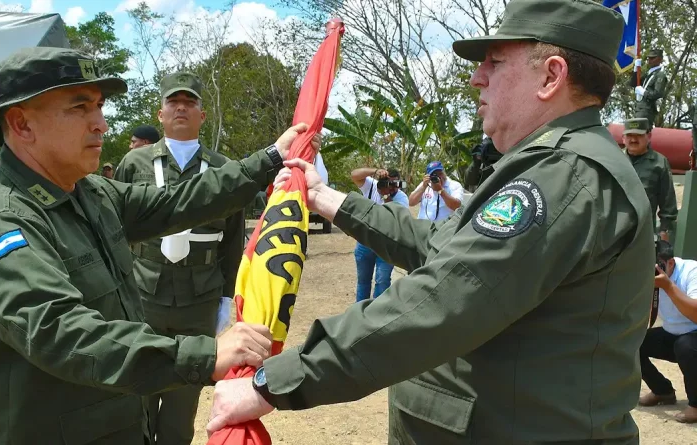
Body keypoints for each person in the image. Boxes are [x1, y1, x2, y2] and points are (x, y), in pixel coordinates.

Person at [207, 1, 657, 443]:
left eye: (494, 63)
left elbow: (446, 296)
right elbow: (444, 244)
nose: (476, 77)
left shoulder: (563, 175)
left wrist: (270, 381)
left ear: (551, 76)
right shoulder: (549, 165)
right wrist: (328, 199)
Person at [0, 47, 317, 445]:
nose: (100, 124)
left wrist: (270, 159)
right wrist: (204, 355)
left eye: (99, 106)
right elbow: (59, 330)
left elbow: (179, 201)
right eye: (79, 108)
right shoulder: (1, 220)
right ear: (22, 124)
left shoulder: (89, 193)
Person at [114, 71, 247, 445]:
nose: (181, 108)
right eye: (174, 102)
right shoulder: (134, 164)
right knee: (135, 388)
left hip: (199, 300)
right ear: (161, 113)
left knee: (184, 395)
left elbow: (233, 239)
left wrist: (225, 298)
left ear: (203, 116)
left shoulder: (223, 169)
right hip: (143, 294)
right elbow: (116, 229)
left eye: (190, 103)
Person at [638, 240, 697, 424]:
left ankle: (696, 405)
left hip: (693, 334)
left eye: (654, 265)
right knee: (634, 342)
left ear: (669, 263)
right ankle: (662, 391)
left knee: (685, 347)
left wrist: (668, 286)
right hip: (673, 334)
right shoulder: (645, 275)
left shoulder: (692, 271)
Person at [350, 166, 409, 302]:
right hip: (365, 242)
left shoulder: (402, 198)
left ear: (399, 183)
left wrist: (386, 196)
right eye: (388, 183)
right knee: (363, 282)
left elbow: (393, 219)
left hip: (386, 245)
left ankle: (377, 316)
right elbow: (354, 175)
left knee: (382, 282)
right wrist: (374, 172)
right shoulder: (371, 186)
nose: (391, 187)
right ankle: (359, 313)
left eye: (394, 184)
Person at [622, 117, 678, 240]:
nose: (633, 139)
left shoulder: (659, 163)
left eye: (638, 135)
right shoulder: (614, 159)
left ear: (649, 136)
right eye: (629, 135)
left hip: (643, 234)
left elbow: (668, 203)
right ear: (623, 138)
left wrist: (664, 232)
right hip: (613, 234)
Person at [630, 48, 668, 127]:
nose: (649, 60)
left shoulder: (660, 75)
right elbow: (633, 83)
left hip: (648, 110)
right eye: (649, 58)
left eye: (653, 58)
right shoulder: (649, 73)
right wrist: (636, 69)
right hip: (639, 108)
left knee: (641, 133)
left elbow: (657, 94)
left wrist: (643, 92)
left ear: (660, 59)